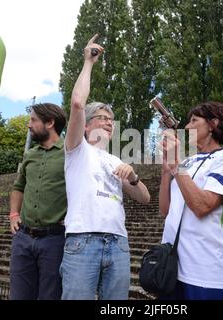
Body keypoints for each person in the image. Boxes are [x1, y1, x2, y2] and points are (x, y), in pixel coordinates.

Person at [61, 34, 151, 300]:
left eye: (112, 120)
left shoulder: (115, 160)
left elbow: (145, 198)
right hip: (82, 240)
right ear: (86, 124)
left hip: (118, 243)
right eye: (102, 118)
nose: (109, 123)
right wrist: (88, 63)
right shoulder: (76, 149)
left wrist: (133, 176)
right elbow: (78, 103)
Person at [159, 101, 223, 300]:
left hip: (204, 272)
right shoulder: (187, 161)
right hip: (171, 268)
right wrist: (166, 170)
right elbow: (165, 211)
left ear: (213, 124)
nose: (187, 127)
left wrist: (176, 165)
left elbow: (202, 206)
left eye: (194, 120)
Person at [9, 103, 67, 300]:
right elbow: (18, 187)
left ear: (50, 122)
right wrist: (13, 214)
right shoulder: (30, 154)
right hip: (23, 238)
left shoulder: (71, 153)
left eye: (33, 120)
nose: (28, 125)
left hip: (55, 240)